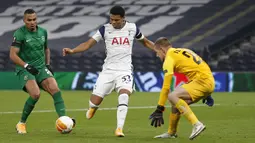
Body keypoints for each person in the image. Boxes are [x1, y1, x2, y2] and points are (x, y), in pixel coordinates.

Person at [62, 6, 154, 137]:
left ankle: (119, 129)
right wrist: (73, 50)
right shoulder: (105, 29)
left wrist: (159, 50)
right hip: (108, 71)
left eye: (116, 20)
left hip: (125, 70)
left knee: (124, 95)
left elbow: (145, 42)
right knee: (94, 101)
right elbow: (88, 44)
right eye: (111, 19)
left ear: (123, 18)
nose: (114, 22)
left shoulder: (132, 28)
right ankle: (93, 107)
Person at [9, 9, 74, 134]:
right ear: (24, 20)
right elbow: (13, 55)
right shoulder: (20, 34)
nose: (32, 22)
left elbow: (46, 49)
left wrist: (48, 64)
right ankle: (21, 123)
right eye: (29, 20)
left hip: (41, 67)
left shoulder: (43, 31)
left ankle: (64, 121)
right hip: (25, 69)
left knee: (55, 89)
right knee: (35, 94)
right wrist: (26, 66)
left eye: (34, 19)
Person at [149, 37, 215, 140]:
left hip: (202, 82)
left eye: (157, 52)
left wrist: (159, 108)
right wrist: (208, 93)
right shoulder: (184, 50)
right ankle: (171, 132)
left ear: (162, 49)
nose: (157, 55)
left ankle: (197, 124)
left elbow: (166, 87)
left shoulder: (169, 58)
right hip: (207, 81)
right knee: (176, 103)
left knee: (172, 96)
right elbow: (201, 66)